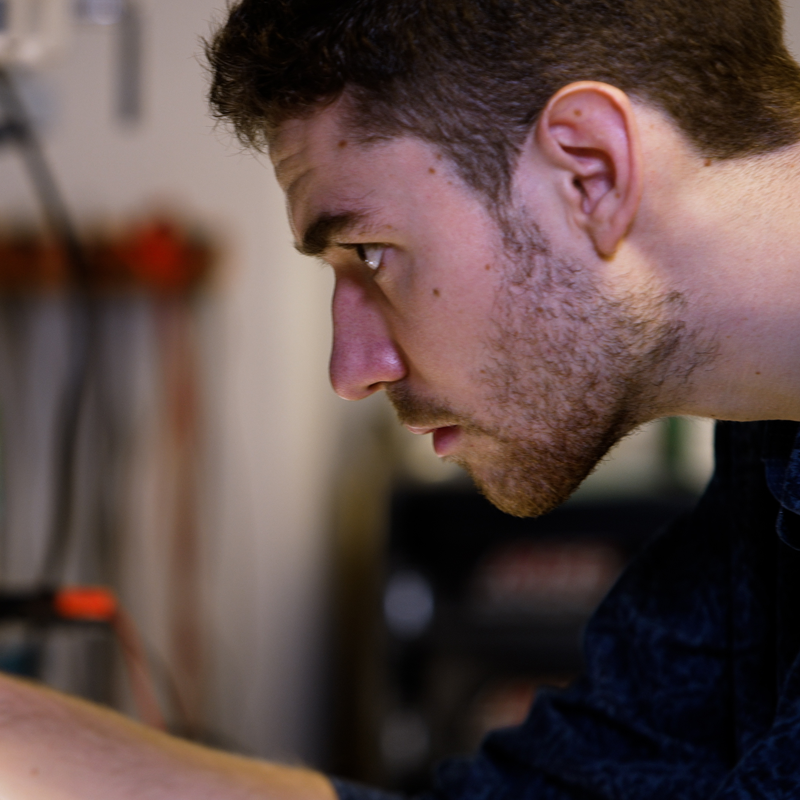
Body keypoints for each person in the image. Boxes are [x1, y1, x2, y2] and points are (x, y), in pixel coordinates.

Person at [1, 0, 800, 796]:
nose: (352, 370)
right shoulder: (767, 449)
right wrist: (33, 747)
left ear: (590, 169)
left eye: (373, 253)